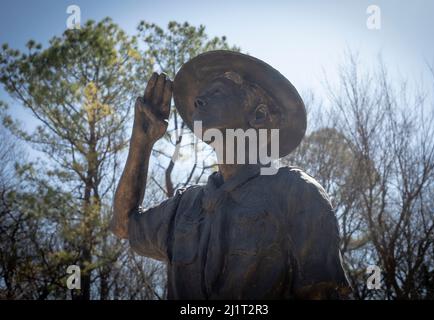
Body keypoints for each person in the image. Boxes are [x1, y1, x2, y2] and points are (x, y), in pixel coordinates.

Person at [110, 50, 350, 299]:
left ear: (259, 115)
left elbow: (321, 294)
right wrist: (141, 142)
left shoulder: (298, 193)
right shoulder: (184, 206)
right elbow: (123, 225)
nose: (199, 101)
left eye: (216, 92)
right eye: (199, 98)